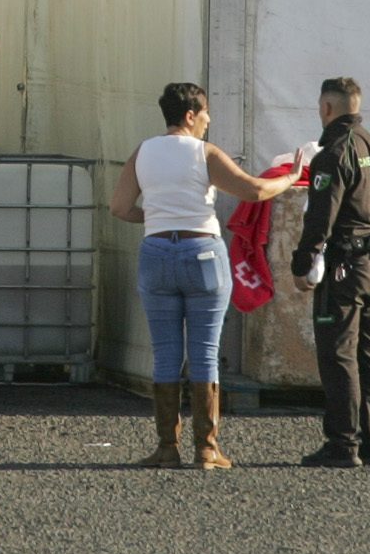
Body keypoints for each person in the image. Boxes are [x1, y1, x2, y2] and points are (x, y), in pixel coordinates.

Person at [110, 82, 291, 470]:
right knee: (205, 353)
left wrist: (160, 218)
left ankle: (165, 448)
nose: (208, 122)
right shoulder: (203, 152)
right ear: (191, 115)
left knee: (165, 355)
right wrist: (291, 177)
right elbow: (255, 191)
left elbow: (120, 207)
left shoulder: (143, 152)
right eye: (206, 114)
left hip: (156, 253)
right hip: (203, 253)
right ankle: (207, 450)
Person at [292, 76, 370, 469]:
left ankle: (342, 444)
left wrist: (303, 263)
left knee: (339, 355)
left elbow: (321, 217)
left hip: (343, 267)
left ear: (327, 108)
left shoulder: (334, 152)